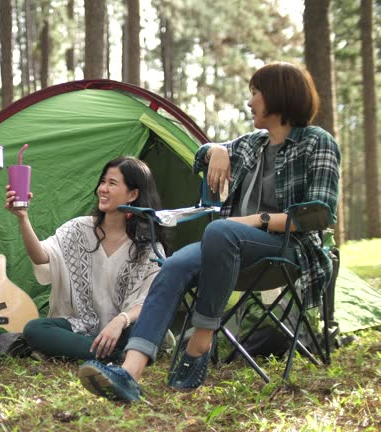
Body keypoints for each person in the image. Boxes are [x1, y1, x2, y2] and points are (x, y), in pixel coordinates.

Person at [77, 61, 341, 402]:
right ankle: (129, 373)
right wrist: (215, 150)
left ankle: (201, 340)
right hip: (229, 249)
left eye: (255, 93)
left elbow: (318, 215)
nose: (250, 102)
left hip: (287, 249)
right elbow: (201, 156)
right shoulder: (254, 144)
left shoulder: (316, 143)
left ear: (277, 96)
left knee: (220, 231)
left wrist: (253, 221)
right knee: (172, 267)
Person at [4, 157, 166, 363]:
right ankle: (117, 355)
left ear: (133, 194)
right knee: (35, 329)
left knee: (143, 327)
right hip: (80, 326)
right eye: (103, 182)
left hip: (123, 327)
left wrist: (120, 321)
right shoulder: (78, 229)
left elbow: (150, 300)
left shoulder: (148, 247)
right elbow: (42, 256)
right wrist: (22, 217)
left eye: (112, 183)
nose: (103, 189)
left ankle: (97, 349)